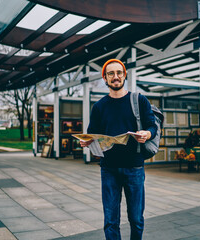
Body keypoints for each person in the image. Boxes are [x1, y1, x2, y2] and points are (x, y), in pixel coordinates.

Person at [80, 59, 157, 240]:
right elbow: (92, 134)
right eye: (111, 74)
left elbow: (152, 126)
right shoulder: (99, 107)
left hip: (134, 168)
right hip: (109, 169)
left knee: (136, 218)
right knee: (110, 219)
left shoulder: (139, 100)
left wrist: (147, 133)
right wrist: (87, 142)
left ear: (124, 75)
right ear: (105, 79)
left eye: (119, 73)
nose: (116, 77)